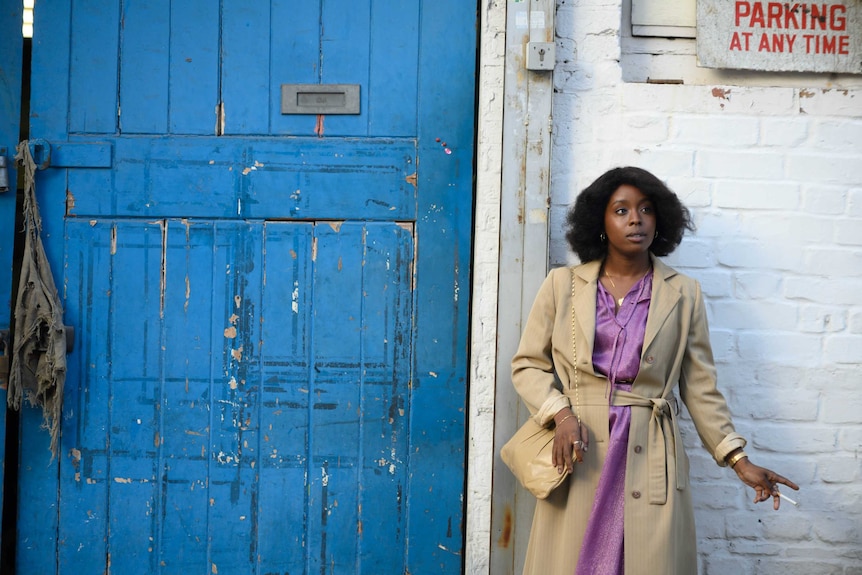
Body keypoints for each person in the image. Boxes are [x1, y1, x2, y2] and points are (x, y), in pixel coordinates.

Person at [511, 166, 798, 575]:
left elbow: (700, 388)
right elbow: (528, 365)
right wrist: (561, 413)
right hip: (580, 446)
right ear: (600, 221)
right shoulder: (563, 285)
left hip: (652, 447)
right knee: (575, 560)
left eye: (646, 209)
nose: (636, 219)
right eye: (621, 210)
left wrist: (738, 459)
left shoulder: (683, 294)